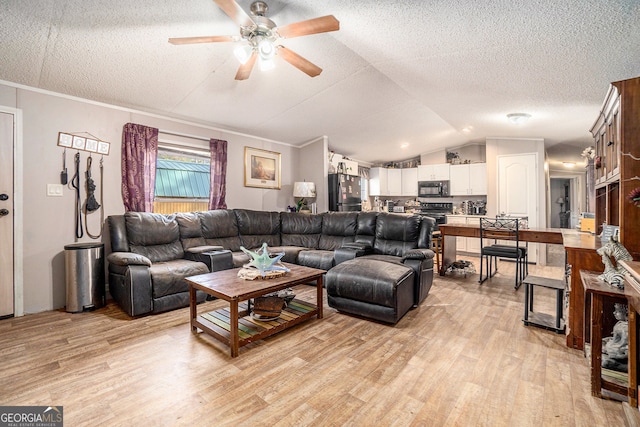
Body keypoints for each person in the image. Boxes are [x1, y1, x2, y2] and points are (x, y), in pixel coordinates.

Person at [602, 303, 629, 372]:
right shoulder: (622, 324)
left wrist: (607, 348)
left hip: (623, 356)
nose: (614, 313)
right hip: (619, 351)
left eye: (618, 311)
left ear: (627, 313)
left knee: (606, 362)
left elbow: (622, 348)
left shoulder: (624, 328)